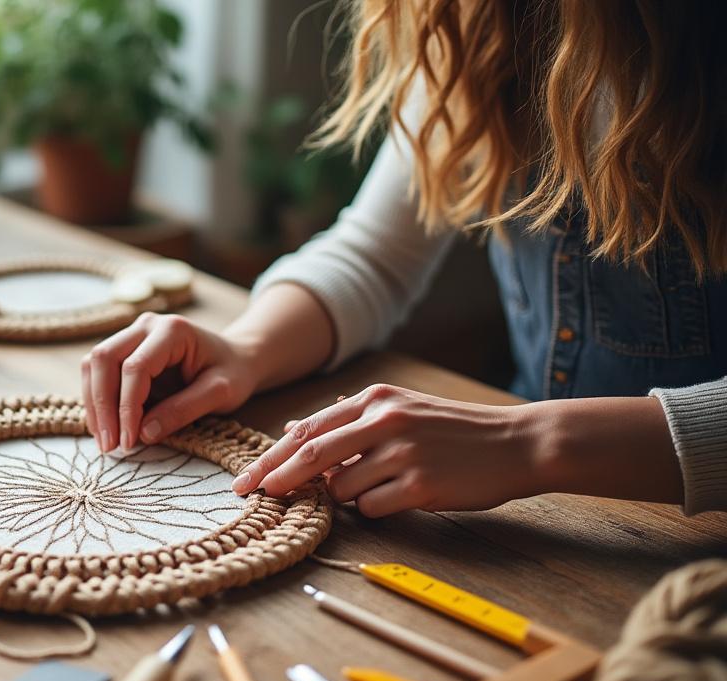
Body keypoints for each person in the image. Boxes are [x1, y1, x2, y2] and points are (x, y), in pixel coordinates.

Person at [81, 0, 727, 517]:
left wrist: (530, 441)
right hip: (538, 507)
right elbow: (374, 253)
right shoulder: (476, 17)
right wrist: (245, 349)